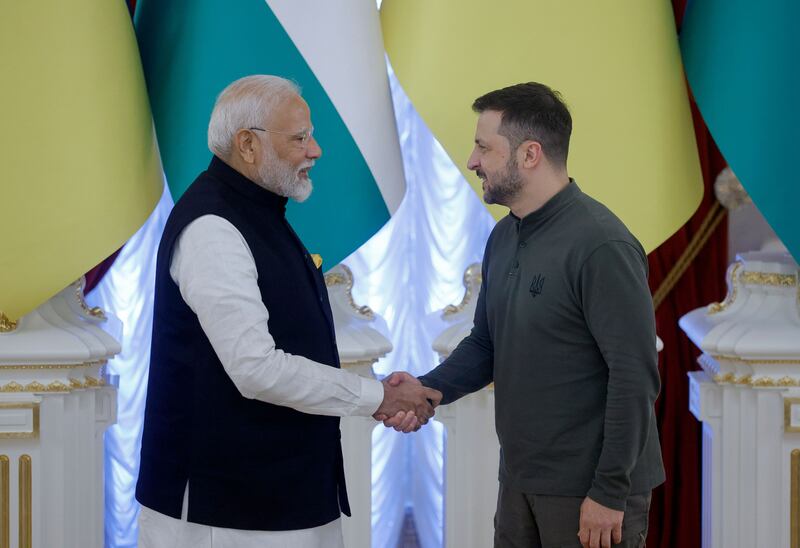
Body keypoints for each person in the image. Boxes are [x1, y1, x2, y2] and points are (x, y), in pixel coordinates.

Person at [135, 75, 441, 548]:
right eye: (299, 138)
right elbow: (256, 368)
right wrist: (377, 396)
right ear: (248, 145)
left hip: (285, 494)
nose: (315, 150)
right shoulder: (213, 227)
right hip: (228, 511)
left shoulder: (260, 213)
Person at [383, 82, 665, 548]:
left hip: (590, 494)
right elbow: (486, 343)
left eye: (483, 147)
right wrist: (430, 388)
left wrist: (609, 492)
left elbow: (634, 376)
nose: (472, 161)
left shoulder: (602, 245)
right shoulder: (503, 235)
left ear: (529, 154)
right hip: (519, 481)